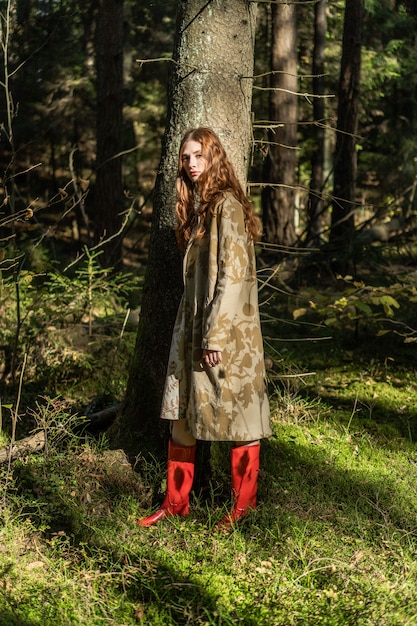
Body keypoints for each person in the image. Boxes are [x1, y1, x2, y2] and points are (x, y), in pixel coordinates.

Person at [137, 127, 271, 529]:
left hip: (225, 333)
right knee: (182, 416)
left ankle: (244, 508)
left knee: (238, 418)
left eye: (199, 156)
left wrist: (214, 334)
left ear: (214, 158)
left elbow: (234, 276)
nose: (191, 164)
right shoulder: (202, 208)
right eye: (185, 158)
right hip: (194, 327)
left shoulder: (226, 205)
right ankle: (176, 503)